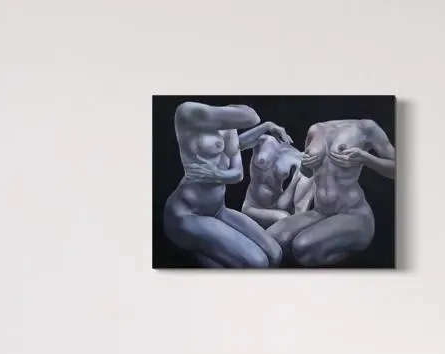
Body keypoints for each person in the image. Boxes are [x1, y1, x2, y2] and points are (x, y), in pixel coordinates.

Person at [162, 101, 291, 268]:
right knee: (257, 263)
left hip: (217, 210)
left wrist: (214, 174)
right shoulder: (187, 112)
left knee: (275, 254)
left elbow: (237, 174)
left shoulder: (229, 127)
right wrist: (221, 175)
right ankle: (196, 259)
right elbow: (252, 118)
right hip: (187, 212)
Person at [269, 117, 396, 267]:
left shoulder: (366, 127)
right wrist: (305, 163)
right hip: (320, 212)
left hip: (353, 214)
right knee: (272, 241)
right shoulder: (315, 129)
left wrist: (365, 158)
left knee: (302, 247)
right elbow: (307, 172)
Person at [242, 131, 308, 228]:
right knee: (284, 217)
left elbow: (304, 185)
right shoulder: (265, 140)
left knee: (306, 171)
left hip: (277, 203)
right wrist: (267, 126)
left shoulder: (296, 155)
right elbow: (238, 144)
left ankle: (300, 215)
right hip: (253, 206)